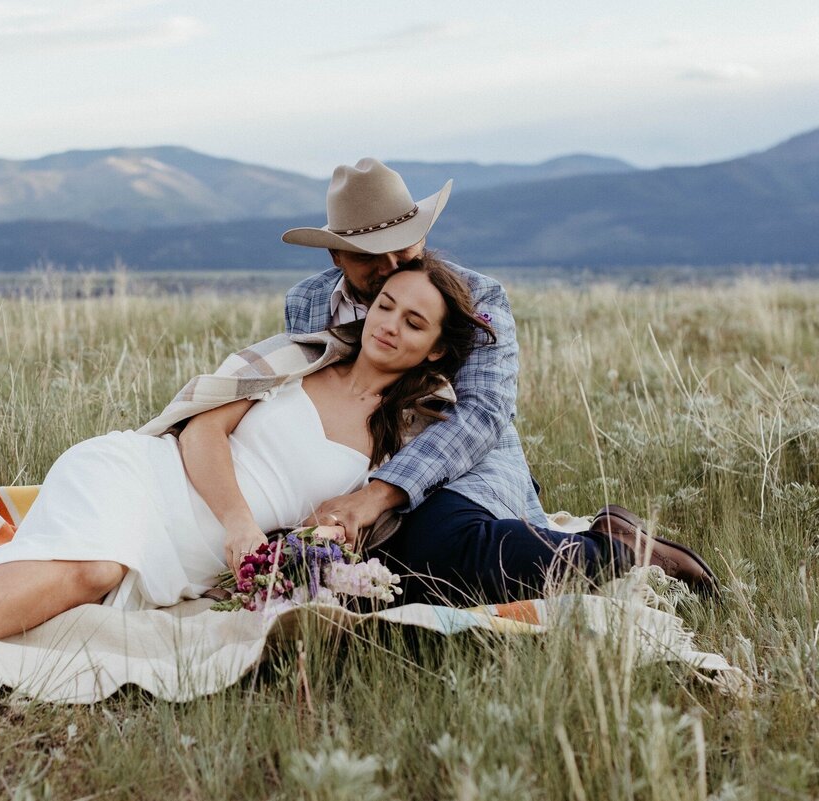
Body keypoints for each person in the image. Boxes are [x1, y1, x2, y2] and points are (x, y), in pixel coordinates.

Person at [0, 259, 493, 701]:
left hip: (189, 556)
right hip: (145, 477)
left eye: (414, 320)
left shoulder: (399, 446)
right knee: (93, 566)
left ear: (436, 345)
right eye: (387, 305)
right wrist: (238, 522)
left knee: (66, 598)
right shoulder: (298, 360)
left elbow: (345, 528)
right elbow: (202, 430)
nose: (391, 325)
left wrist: (297, 553)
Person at [280, 158, 716, 605]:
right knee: (368, 581)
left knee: (438, 553)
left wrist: (380, 493)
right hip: (349, 466)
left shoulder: (478, 297)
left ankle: (620, 552)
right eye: (369, 255)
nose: (390, 265)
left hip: (462, 465)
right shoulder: (308, 303)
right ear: (336, 255)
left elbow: (483, 412)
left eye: (402, 246)